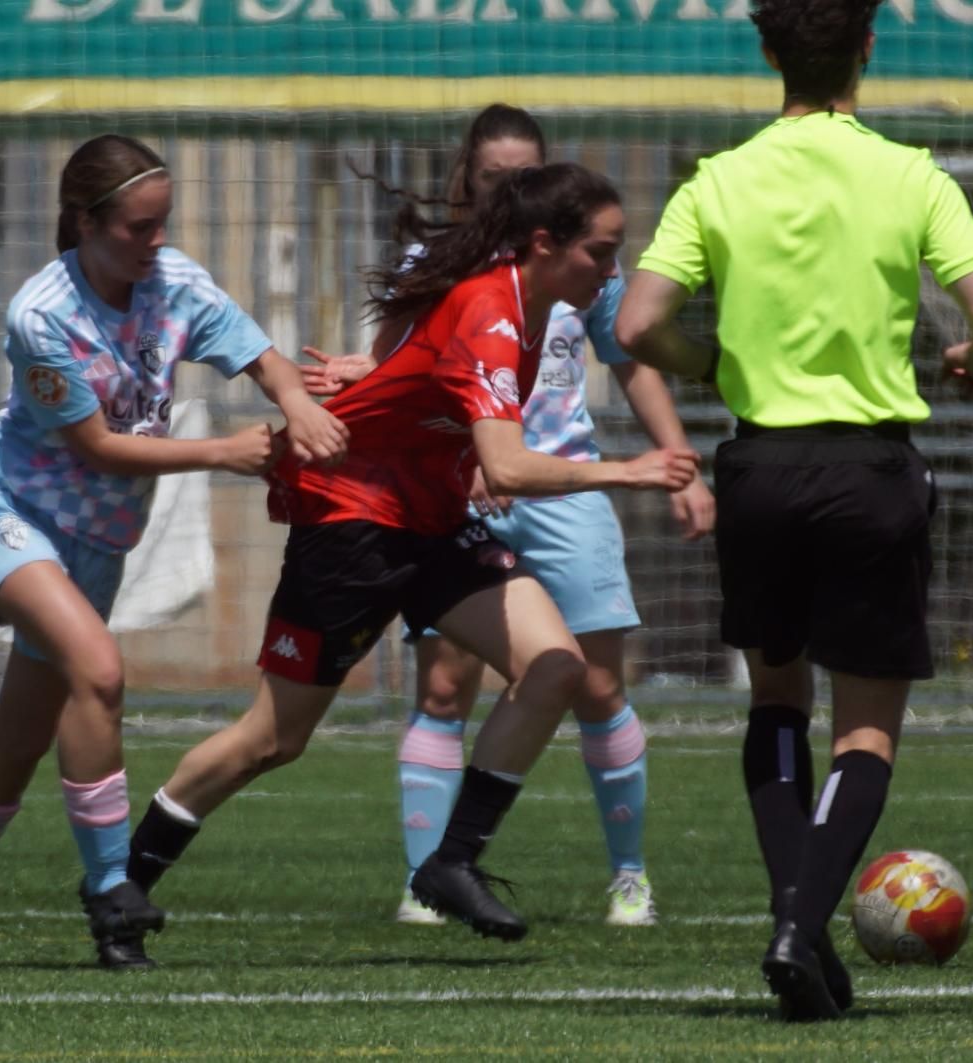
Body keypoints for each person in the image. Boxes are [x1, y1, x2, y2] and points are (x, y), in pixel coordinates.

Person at [123, 162, 700, 951]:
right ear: (544, 243)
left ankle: (450, 863)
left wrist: (395, 387)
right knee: (273, 739)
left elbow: (433, 385)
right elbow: (509, 466)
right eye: (601, 253)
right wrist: (627, 469)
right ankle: (123, 884)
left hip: (427, 517)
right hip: (351, 519)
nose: (611, 270)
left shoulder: (526, 306)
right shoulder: (494, 312)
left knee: (557, 665)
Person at [614, 0, 973, 1021]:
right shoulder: (909, 175)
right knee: (867, 732)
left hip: (759, 471)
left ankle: (794, 919)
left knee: (776, 701)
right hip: (869, 473)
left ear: (765, 53)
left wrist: (710, 362)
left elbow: (635, 323)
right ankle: (801, 925)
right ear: (866, 50)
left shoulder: (718, 179)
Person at [0, 133, 349, 971]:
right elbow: (98, 448)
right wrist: (222, 453)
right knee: (100, 671)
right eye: (138, 229)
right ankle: (112, 892)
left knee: (19, 742)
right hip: (14, 522)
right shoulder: (42, 315)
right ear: (83, 222)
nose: (155, 243)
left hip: (99, 545)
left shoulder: (173, 282)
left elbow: (262, 358)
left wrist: (301, 403)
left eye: (162, 224)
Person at [302, 104, 714, 930]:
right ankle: (430, 876)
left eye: (526, 174)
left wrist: (679, 466)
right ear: (468, 179)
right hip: (465, 488)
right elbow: (398, 366)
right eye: (497, 176)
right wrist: (362, 375)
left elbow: (629, 361)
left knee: (596, 682)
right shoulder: (443, 259)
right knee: (447, 683)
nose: (511, 189)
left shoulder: (581, 261)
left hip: (565, 487)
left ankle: (629, 877)